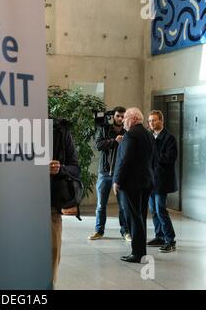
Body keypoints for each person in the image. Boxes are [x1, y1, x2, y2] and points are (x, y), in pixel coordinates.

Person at [112, 108, 155, 263]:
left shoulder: (130, 135)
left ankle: (137, 253)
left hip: (131, 184)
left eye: (125, 118)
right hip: (146, 182)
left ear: (133, 119)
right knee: (140, 217)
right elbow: (153, 159)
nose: (123, 121)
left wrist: (117, 181)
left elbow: (125, 161)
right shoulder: (148, 134)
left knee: (133, 218)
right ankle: (140, 251)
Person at [88, 106, 130, 241]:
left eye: (123, 116)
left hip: (121, 174)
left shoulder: (128, 131)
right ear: (114, 117)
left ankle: (126, 231)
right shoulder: (105, 129)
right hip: (104, 172)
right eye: (118, 116)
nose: (120, 118)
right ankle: (98, 231)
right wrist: (114, 141)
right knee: (101, 205)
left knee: (123, 205)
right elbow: (98, 145)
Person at [50, 118, 81, 286]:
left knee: (50, 261)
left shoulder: (60, 131)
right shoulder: (9, 125)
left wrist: (59, 168)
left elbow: (75, 168)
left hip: (51, 207)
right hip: (16, 207)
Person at [147, 110, 177, 253]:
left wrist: (154, 154)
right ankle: (159, 236)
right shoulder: (150, 137)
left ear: (161, 121)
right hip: (150, 180)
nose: (151, 123)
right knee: (153, 211)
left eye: (154, 120)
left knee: (161, 210)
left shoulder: (169, 138)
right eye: (150, 121)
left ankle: (170, 240)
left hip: (162, 181)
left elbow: (169, 159)